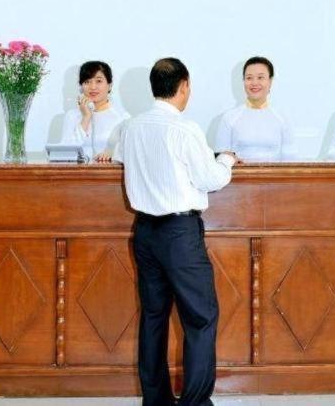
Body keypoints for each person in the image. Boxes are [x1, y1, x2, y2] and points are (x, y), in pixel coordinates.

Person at [112, 58, 236, 406]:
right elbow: (210, 179)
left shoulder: (131, 127)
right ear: (184, 86)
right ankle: (194, 403)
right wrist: (225, 159)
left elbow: (122, 158)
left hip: (145, 232)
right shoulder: (185, 129)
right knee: (200, 316)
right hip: (179, 234)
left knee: (153, 317)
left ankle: (156, 402)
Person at [214, 56, 296, 161]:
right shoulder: (229, 118)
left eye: (260, 77)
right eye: (249, 78)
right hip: (238, 172)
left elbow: (290, 161)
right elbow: (220, 160)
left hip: (274, 172)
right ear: (243, 81)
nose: (254, 83)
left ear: (270, 81)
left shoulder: (282, 119)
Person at [59, 60, 129, 162]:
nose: (92, 87)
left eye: (98, 81)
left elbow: (129, 153)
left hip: (108, 171)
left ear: (109, 85)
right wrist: (86, 117)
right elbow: (64, 153)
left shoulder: (122, 117)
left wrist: (114, 154)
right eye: (87, 82)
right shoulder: (72, 116)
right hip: (77, 171)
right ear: (81, 87)